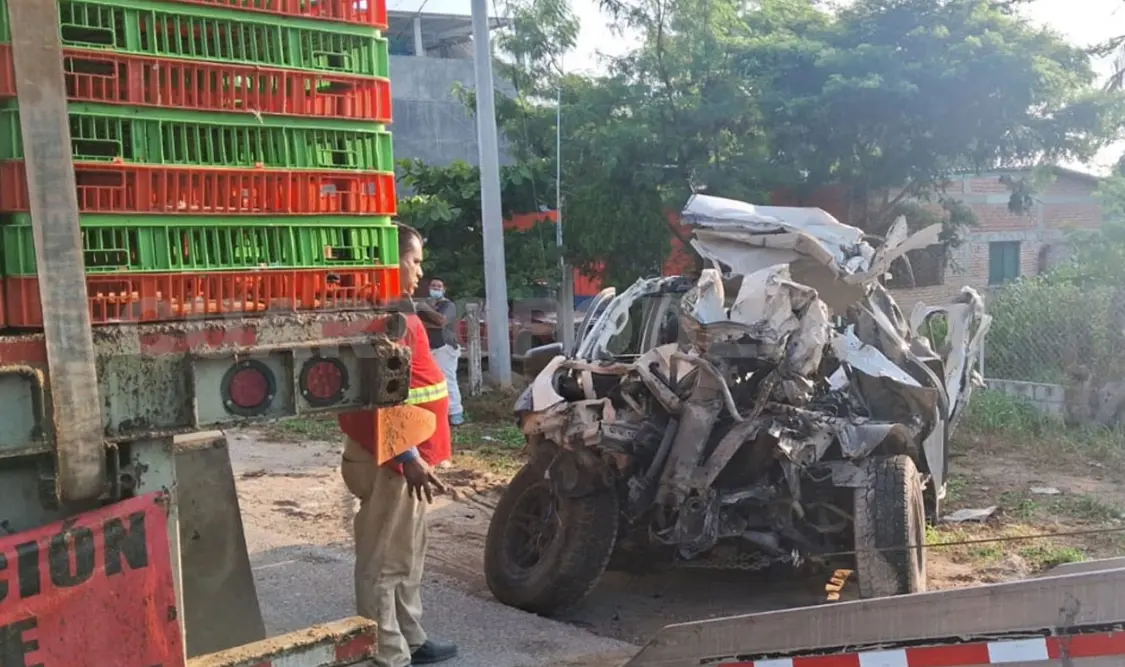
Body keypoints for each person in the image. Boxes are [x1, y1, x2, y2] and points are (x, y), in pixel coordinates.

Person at [337, 223, 458, 667]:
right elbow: (379, 396)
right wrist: (407, 456)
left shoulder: (398, 314)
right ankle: (386, 654)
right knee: (384, 561)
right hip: (392, 460)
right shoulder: (381, 320)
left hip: (408, 459)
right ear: (390, 262)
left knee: (406, 557)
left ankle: (411, 637)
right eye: (414, 260)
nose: (420, 271)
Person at [423, 278, 465, 426]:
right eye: (433, 286)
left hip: (445, 347)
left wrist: (426, 314)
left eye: (439, 286)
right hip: (430, 347)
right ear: (429, 287)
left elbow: (441, 322)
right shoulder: (425, 304)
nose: (436, 288)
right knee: (432, 381)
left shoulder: (448, 305)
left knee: (448, 379)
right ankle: (439, 412)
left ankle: (456, 412)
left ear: (444, 289)